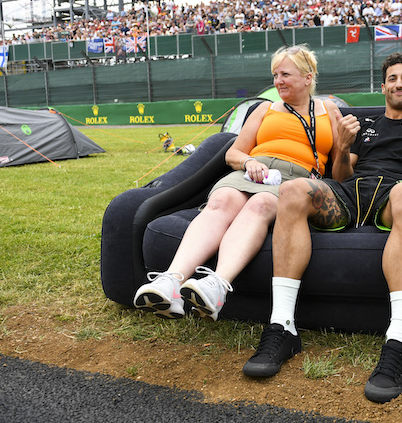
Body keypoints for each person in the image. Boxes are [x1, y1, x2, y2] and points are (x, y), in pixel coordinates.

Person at [242, 52, 402, 404]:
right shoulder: (365, 124)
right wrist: (343, 147)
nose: (399, 84)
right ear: (383, 87)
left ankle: (398, 339)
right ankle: (282, 326)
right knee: (292, 190)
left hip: (396, 195)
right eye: (392, 78)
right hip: (352, 193)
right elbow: (340, 177)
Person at [133, 44, 341, 320]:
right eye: (275, 75)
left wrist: (347, 146)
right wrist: (249, 162)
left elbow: (341, 171)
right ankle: (170, 282)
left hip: (295, 180)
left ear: (308, 76)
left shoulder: (329, 111)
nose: (278, 81)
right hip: (252, 171)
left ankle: (217, 285)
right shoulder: (264, 109)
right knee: (222, 200)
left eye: (285, 74)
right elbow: (233, 152)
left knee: (262, 203)